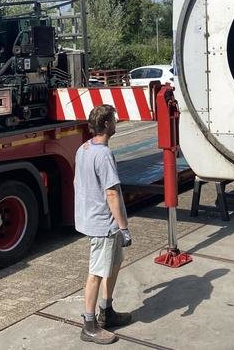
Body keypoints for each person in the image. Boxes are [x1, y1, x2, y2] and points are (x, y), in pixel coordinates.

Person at [74, 104, 133, 344]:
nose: (116, 122)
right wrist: (124, 227)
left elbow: (78, 182)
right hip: (104, 225)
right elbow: (112, 194)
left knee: (114, 264)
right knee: (97, 273)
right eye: (114, 120)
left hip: (95, 219)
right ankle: (89, 324)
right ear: (107, 124)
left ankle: (106, 311)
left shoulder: (83, 148)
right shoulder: (104, 155)